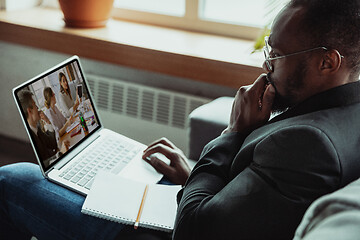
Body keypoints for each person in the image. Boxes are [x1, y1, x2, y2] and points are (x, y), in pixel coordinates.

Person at [1, 0, 360, 239]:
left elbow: (193, 229)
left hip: (169, 232)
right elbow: (256, 206)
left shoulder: (308, 144)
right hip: (208, 207)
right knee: (119, 172)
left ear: (327, 62)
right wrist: (192, 176)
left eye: (277, 55)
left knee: (13, 178)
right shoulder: (346, 112)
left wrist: (234, 132)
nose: (265, 66)